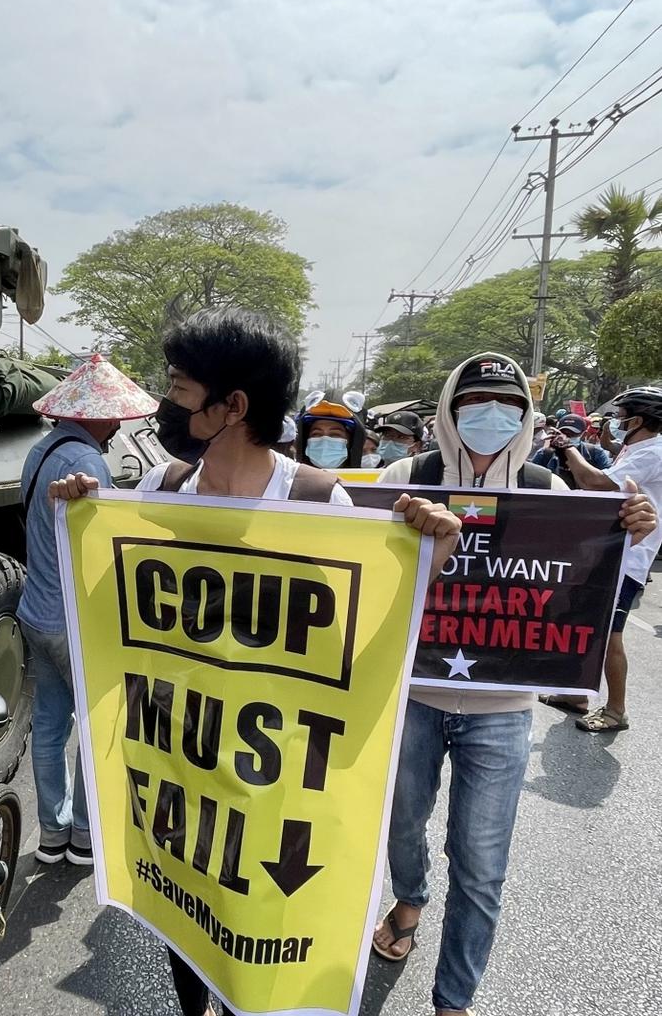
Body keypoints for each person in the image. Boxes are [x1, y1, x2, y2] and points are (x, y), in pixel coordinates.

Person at [51, 309, 461, 1016]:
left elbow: (360, 648)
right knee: (185, 906)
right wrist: (82, 524)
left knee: (252, 914)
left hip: (272, 766)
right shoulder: (161, 490)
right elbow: (112, 618)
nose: (163, 404)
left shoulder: (315, 501)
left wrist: (431, 553)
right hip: (179, 753)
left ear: (232, 406)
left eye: (179, 389)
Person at [372, 354, 655, 1016]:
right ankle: (409, 900)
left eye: (508, 404)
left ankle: (454, 1001)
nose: (491, 415)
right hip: (411, 698)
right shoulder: (402, 478)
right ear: (449, 408)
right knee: (401, 825)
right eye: (475, 401)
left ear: (526, 416)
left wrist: (626, 534)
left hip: (502, 709)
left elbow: (576, 585)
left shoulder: (545, 488)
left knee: (480, 864)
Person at [18, 354, 158, 869]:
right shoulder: (87, 461)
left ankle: (51, 835)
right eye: (113, 416)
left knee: (49, 725)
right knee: (98, 726)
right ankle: (83, 835)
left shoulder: (39, 451)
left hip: (35, 609)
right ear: (98, 417)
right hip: (73, 620)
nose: (118, 425)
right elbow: (101, 550)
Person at [545, 386, 662, 733]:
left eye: (621, 417)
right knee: (587, 622)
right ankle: (576, 695)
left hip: (629, 557)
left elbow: (595, 481)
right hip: (610, 552)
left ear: (637, 421)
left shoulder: (653, 453)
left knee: (610, 634)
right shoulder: (635, 449)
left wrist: (569, 449)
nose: (615, 422)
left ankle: (616, 709)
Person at [529, 413, 610, 486]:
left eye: (572, 434)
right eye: (564, 433)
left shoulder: (595, 453)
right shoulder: (545, 454)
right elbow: (530, 479)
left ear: (584, 434)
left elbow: (608, 481)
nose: (566, 438)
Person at [298, 392, 366, 469]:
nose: (324, 441)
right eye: (316, 434)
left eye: (335, 434)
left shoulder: (371, 476)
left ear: (352, 440)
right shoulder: (290, 475)